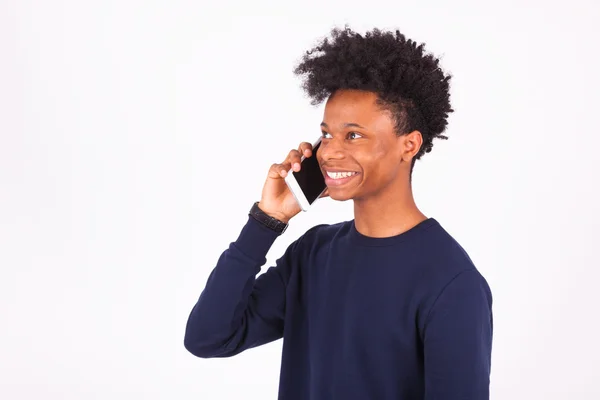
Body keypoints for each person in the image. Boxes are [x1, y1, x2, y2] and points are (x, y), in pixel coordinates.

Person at [184, 26, 493, 400]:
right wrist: (267, 220)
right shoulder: (314, 254)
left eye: (354, 136)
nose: (329, 152)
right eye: (327, 134)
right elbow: (209, 337)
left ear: (408, 145)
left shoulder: (451, 283)